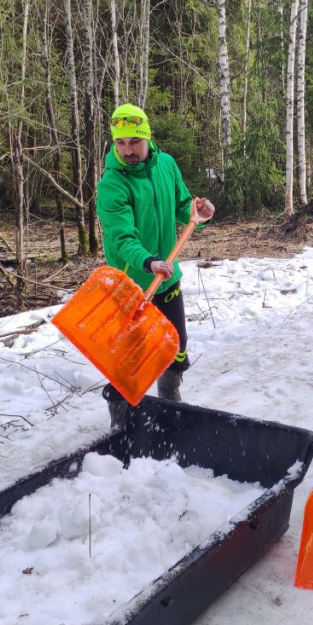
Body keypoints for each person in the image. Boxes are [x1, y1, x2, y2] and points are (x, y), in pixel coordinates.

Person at [96, 104, 214, 414]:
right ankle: (120, 425)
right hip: (131, 288)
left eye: (134, 141)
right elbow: (121, 238)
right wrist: (148, 262)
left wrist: (197, 210)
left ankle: (169, 405)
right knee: (126, 363)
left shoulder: (167, 165)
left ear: (148, 137)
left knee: (175, 349)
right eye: (120, 142)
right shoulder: (112, 183)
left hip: (167, 282)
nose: (128, 150)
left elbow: (183, 204)